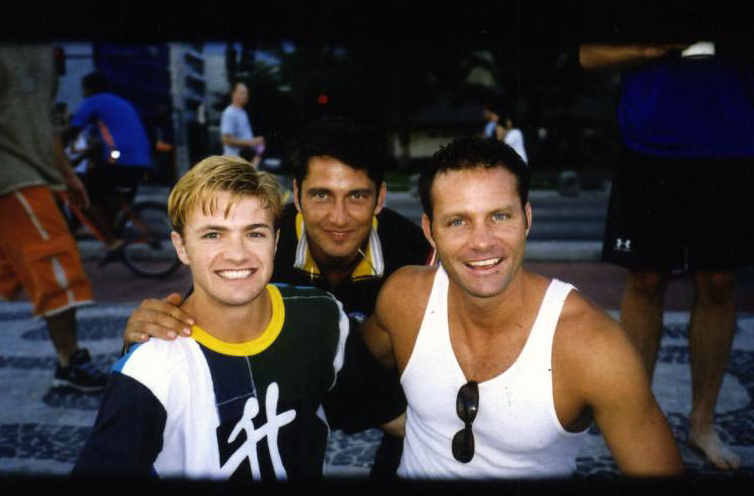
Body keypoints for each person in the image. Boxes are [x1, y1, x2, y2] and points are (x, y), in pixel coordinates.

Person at [122, 116, 434, 479]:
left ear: (380, 197)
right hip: (284, 391)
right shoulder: (261, 243)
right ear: (298, 194)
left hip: (378, 380)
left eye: (357, 196)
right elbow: (198, 329)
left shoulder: (413, 251)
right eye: (321, 195)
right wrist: (145, 336)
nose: (338, 217)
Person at [360, 137, 683, 478]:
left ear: (527, 219)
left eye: (499, 216)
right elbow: (351, 368)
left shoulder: (593, 346)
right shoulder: (405, 298)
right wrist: (386, 414)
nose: (482, 241)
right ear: (430, 231)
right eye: (458, 221)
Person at [74, 156, 349, 480]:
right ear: (182, 246)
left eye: (255, 233)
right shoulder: (151, 371)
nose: (237, 253)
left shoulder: (323, 316)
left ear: (275, 242)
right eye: (212, 235)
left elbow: (386, 404)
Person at [580, 42, 754, 470]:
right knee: (645, 280)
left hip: (731, 140)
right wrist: (657, 46)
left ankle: (702, 426)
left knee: (718, 282)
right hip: (649, 143)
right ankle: (634, 422)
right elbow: (589, 54)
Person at [0, 44, 107, 393]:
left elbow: (43, 124)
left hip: (33, 171)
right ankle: (69, 359)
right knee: (55, 262)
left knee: (16, 275)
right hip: (11, 174)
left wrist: (68, 177)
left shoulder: (45, 52)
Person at [63, 71, 153, 261]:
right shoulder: (122, 103)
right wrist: (78, 161)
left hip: (120, 161)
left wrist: (53, 149)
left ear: (88, 89)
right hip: (141, 161)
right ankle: (113, 236)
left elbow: (72, 131)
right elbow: (100, 143)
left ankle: (113, 243)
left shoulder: (93, 101)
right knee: (106, 198)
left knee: (83, 196)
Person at [220, 81, 265, 167]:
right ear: (233, 94)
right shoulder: (229, 113)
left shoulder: (243, 112)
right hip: (233, 163)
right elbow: (226, 140)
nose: (246, 95)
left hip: (245, 161)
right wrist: (252, 142)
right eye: (242, 93)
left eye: (246, 93)